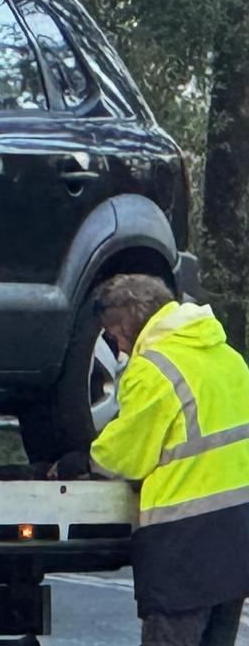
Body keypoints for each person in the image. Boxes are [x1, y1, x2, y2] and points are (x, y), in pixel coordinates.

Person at [51, 274, 249, 645]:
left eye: (113, 336)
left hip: (184, 544)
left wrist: (82, 462)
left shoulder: (154, 369)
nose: (118, 348)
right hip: (238, 536)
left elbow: (125, 457)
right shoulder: (227, 357)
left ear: (124, 324)